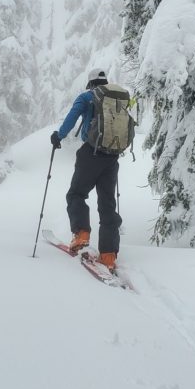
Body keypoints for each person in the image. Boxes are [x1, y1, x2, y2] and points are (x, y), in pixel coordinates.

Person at [50, 68, 122, 272]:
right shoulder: (116, 98)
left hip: (90, 154)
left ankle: (81, 235)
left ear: (90, 83)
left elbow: (72, 118)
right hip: (112, 158)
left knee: (76, 194)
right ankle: (108, 255)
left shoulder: (86, 97)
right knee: (107, 205)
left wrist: (59, 136)